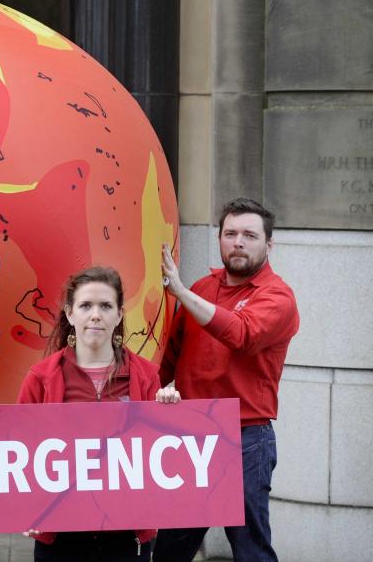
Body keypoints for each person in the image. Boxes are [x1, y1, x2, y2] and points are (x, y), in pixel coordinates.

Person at [154, 198, 300, 562]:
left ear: (269, 244)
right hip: (190, 435)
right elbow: (169, 357)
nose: (238, 242)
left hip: (245, 437)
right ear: (219, 238)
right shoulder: (202, 288)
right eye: (230, 233)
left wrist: (181, 292)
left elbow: (242, 334)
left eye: (250, 235)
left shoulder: (278, 296)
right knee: (170, 549)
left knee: (251, 551)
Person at [18, 266, 181, 562]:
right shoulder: (40, 378)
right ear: (70, 314)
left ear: (119, 315)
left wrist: (171, 413)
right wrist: (27, 508)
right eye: (86, 306)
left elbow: (161, 453)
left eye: (105, 306)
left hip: (126, 535)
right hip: (60, 535)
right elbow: (19, 449)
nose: (96, 315)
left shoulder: (146, 376)